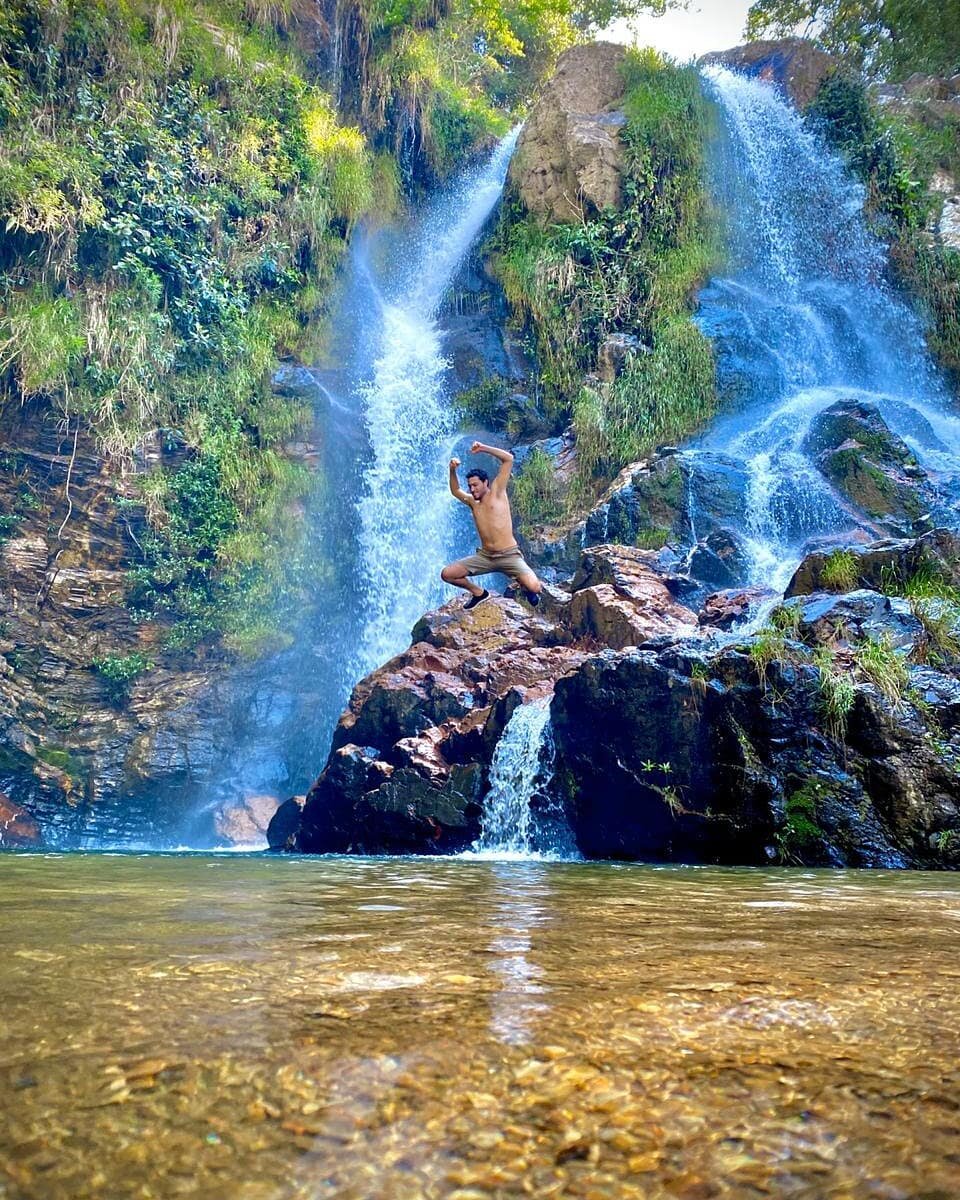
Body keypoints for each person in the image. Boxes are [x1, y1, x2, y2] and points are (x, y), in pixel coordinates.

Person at [442, 440, 544, 609]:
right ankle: (479, 593)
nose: (472, 489)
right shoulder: (472, 502)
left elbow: (508, 459)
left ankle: (525, 587)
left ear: (486, 483)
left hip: (509, 555)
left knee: (535, 587)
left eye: (475, 485)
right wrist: (452, 469)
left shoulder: (497, 492)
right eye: (470, 486)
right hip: (486, 557)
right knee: (448, 574)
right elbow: (455, 490)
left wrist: (483, 448)